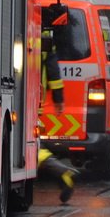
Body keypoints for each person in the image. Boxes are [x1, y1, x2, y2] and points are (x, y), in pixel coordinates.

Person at [38, 13, 78, 203]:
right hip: (33, 97)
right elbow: (53, 69)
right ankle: (62, 172)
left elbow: (52, 70)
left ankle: (62, 171)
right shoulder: (43, 33)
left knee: (32, 147)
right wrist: (58, 98)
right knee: (33, 144)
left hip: (22, 97)